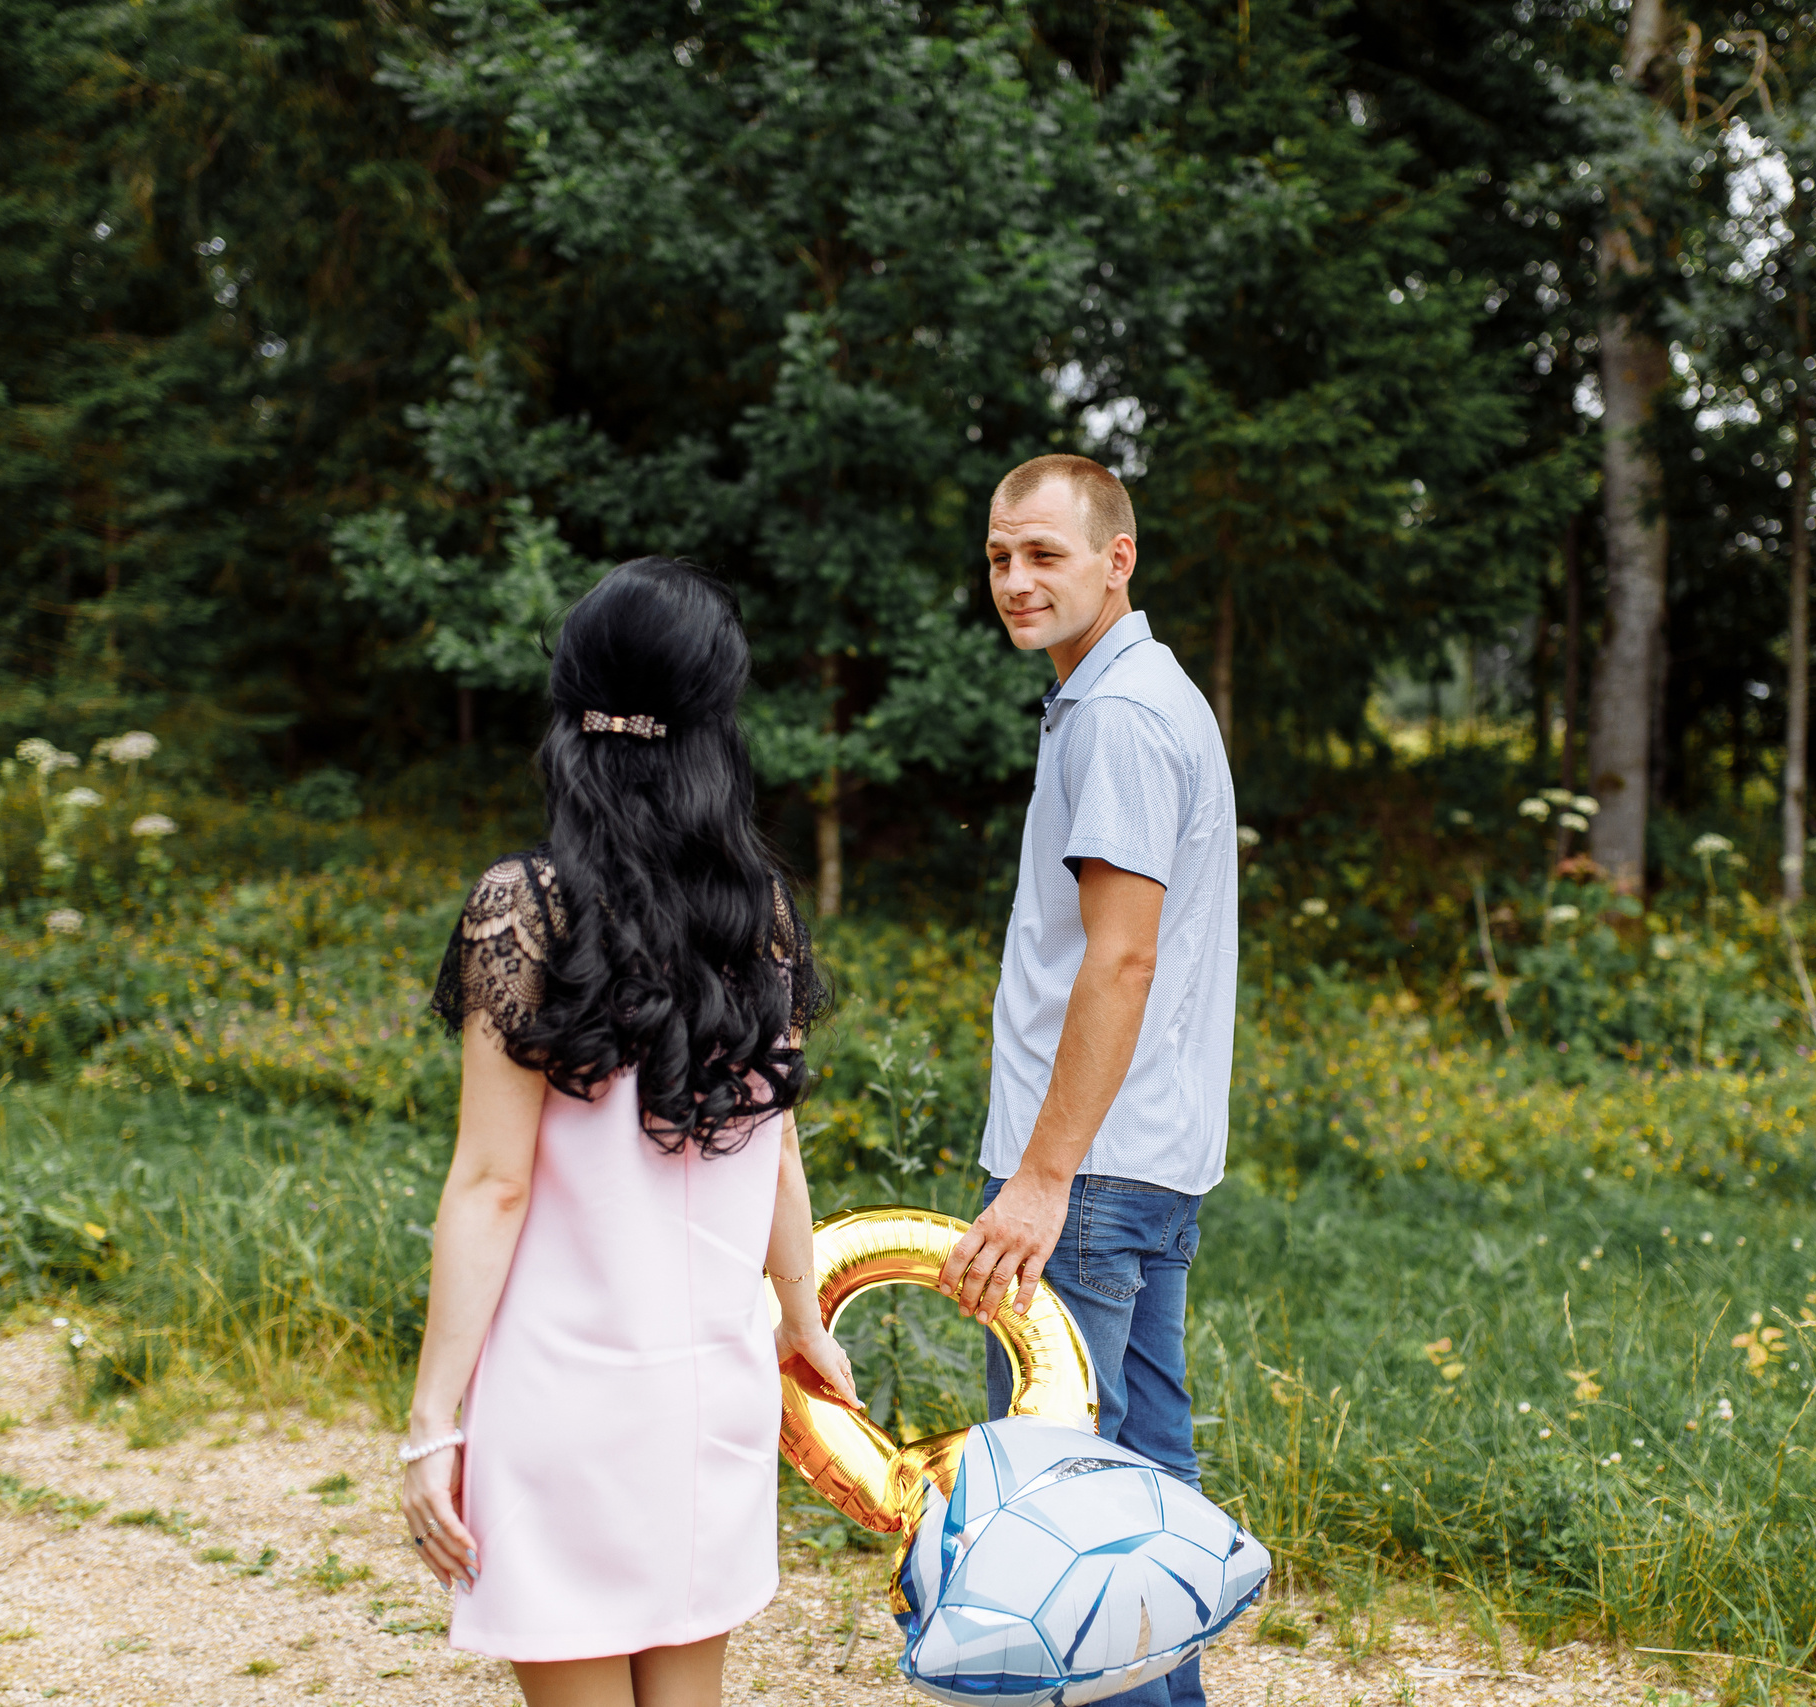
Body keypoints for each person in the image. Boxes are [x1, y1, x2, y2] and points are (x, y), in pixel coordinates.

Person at [398, 558, 859, 1707]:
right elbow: (781, 1148)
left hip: (567, 1399)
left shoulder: (524, 907)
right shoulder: (763, 912)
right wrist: (801, 1320)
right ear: (716, 720)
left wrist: (429, 1420)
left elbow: (492, 1187)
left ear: (573, 709)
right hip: (712, 1386)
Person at [938, 454, 1237, 1707]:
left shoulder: (1116, 713)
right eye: (1001, 556)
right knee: (1143, 1507)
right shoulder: (1133, 691)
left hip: (1093, 1181)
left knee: (1068, 1540)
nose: (1015, 580)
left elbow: (1119, 957)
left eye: (1043, 554)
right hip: (1146, 1167)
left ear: (1118, 559)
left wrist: (1041, 1176)